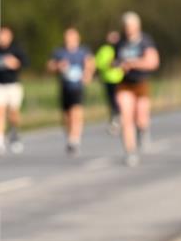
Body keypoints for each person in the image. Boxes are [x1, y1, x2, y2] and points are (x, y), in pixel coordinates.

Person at [113, 12, 160, 166]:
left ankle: (143, 130)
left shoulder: (145, 41)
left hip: (141, 83)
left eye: (131, 26)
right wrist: (116, 65)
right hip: (124, 84)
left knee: (141, 117)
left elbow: (153, 62)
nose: (128, 29)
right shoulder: (119, 42)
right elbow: (113, 61)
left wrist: (132, 63)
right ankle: (130, 152)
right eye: (126, 26)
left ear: (137, 26)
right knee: (126, 118)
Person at [47, 27, 95, 155]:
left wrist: (88, 74)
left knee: (76, 112)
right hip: (64, 87)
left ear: (77, 38)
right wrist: (58, 66)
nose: (69, 40)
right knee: (66, 116)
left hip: (77, 87)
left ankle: (75, 139)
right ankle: (70, 137)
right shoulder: (59, 52)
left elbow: (90, 64)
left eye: (72, 37)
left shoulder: (83, 51)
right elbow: (50, 66)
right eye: (67, 37)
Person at [0, 25, 29, 154]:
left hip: (13, 85)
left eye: (4, 35)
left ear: (10, 36)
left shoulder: (16, 49)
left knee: (13, 113)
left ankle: (14, 132)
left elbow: (26, 63)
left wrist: (15, 63)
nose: (2, 38)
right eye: (0, 35)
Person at [94, 30, 124, 134]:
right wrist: (107, 64)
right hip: (108, 79)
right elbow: (97, 63)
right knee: (111, 101)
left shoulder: (122, 48)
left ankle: (121, 119)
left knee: (120, 101)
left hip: (120, 80)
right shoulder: (104, 49)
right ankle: (114, 120)